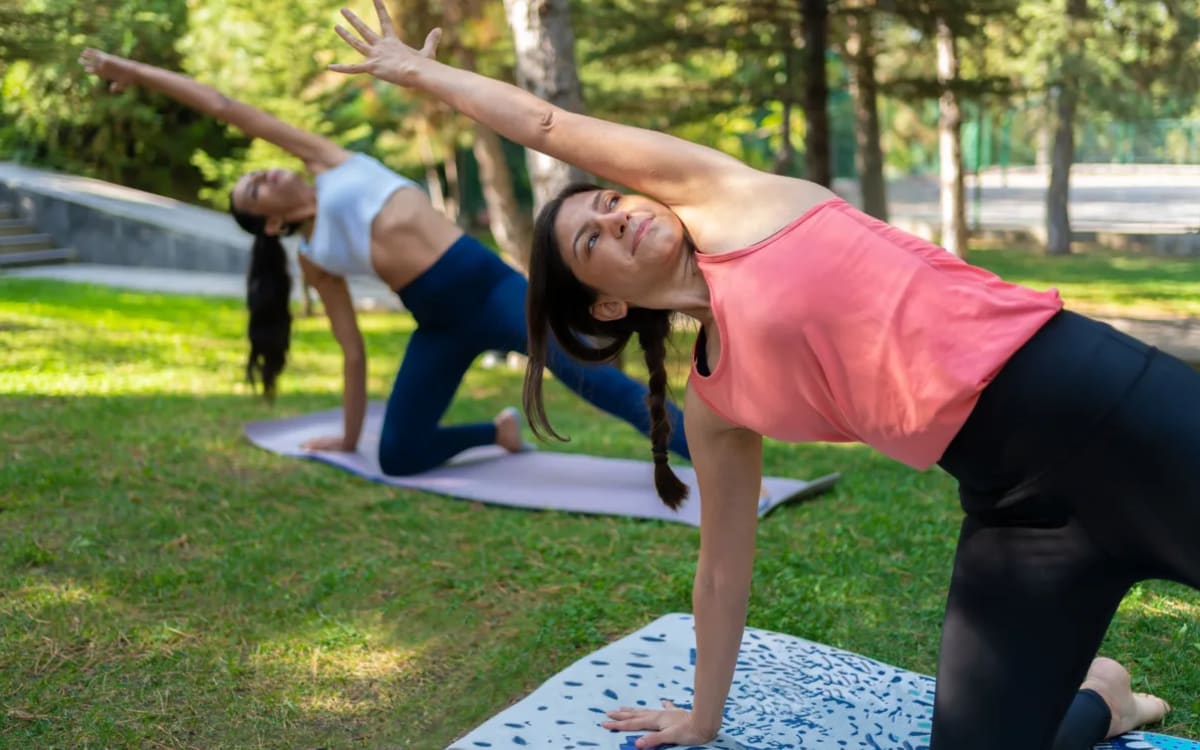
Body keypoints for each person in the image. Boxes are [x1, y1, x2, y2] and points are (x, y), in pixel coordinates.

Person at [329, 4, 1198, 748]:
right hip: (1018, 514)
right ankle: (1103, 699)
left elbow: (548, 127)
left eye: (610, 201)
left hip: (1109, 409)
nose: (618, 216)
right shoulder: (714, 399)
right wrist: (704, 719)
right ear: (602, 306)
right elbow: (721, 568)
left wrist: (419, 72)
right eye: (591, 240)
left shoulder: (733, 199)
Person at [79, 48, 689, 476]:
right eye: (254, 190)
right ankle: (495, 432)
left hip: (492, 291)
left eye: (255, 171)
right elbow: (351, 350)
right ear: (271, 222)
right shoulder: (316, 260)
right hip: (439, 326)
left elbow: (224, 105)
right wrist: (348, 440)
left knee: (601, 384)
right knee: (396, 454)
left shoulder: (330, 160)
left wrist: (131, 71)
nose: (261, 173)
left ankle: (705, 454)